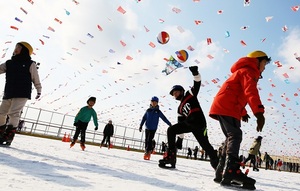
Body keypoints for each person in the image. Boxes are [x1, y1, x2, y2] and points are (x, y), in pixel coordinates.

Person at [210, 50, 270, 188]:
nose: (264, 67)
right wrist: (259, 112)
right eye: (264, 63)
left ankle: (221, 172)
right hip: (227, 106)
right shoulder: (249, 71)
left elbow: (237, 93)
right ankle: (231, 170)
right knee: (235, 135)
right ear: (257, 60)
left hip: (228, 105)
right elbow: (250, 91)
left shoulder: (243, 71)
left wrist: (243, 112)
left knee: (230, 137)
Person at [159, 66, 218, 169]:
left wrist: (195, 73)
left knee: (206, 146)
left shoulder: (189, 95)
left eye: (176, 92)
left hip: (199, 123)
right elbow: (180, 124)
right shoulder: (179, 109)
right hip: (189, 124)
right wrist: (180, 139)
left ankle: (218, 166)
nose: (175, 94)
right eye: (173, 94)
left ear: (181, 91)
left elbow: (197, 84)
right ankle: (171, 157)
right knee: (171, 130)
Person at [0, 42, 42, 146]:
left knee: (14, 113)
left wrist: (39, 89)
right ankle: (0, 133)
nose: (16, 48)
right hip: (9, 91)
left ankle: (8, 136)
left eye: (19, 47)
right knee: (1, 113)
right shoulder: (9, 63)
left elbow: (35, 77)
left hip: (22, 92)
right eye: (16, 46)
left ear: (25, 50)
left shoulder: (30, 64)